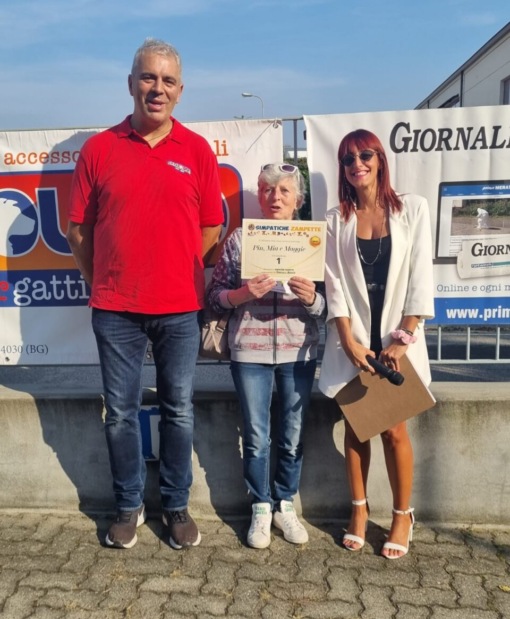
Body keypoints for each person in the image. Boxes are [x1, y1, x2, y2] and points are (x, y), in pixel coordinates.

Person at [66, 38, 224, 550]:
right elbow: (77, 230)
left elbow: (211, 228)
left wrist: (176, 268)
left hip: (180, 309)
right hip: (116, 310)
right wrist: (102, 279)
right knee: (120, 412)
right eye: (149, 77)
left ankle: (176, 505)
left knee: (179, 408)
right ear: (131, 83)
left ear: (180, 90)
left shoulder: (196, 151)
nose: (158, 88)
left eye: (168, 80)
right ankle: (128, 505)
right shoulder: (99, 149)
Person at [318, 129, 434, 559]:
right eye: (348, 159)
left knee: (393, 430)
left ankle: (403, 515)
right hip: (355, 345)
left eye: (365, 155)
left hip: (395, 344)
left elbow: (421, 276)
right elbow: (334, 286)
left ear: (380, 160)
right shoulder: (336, 219)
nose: (357, 164)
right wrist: (347, 340)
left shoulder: (412, 209)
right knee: (356, 429)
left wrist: (404, 337)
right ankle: (360, 511)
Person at [207, 163, 326, 549]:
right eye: (268, 190)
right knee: (257, 436)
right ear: (259, 196)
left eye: (284, 191)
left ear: (298, 199)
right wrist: (242, 295)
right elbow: (214, 297)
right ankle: (260, 506)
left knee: (291, 434)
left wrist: (312, 299)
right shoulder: (241, 239)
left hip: (298, 351)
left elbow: (329, 306)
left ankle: (284, 504)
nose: (276, 198)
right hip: (250, 352)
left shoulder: (312, 241)